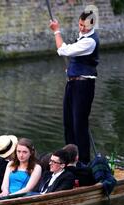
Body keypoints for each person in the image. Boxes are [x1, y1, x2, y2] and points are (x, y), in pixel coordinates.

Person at [49, 10, 100, 165]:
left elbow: (62, 50)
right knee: (68, 123)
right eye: (80, 24)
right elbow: (78, 59)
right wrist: (71, 70)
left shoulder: (90, 41)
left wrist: (56, 30)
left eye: (85, 26)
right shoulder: (82, 37)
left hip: (83, 86)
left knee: (80, 125)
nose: (82, 28)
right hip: (73, 83)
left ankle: (83, 162)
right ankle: (69, 159)